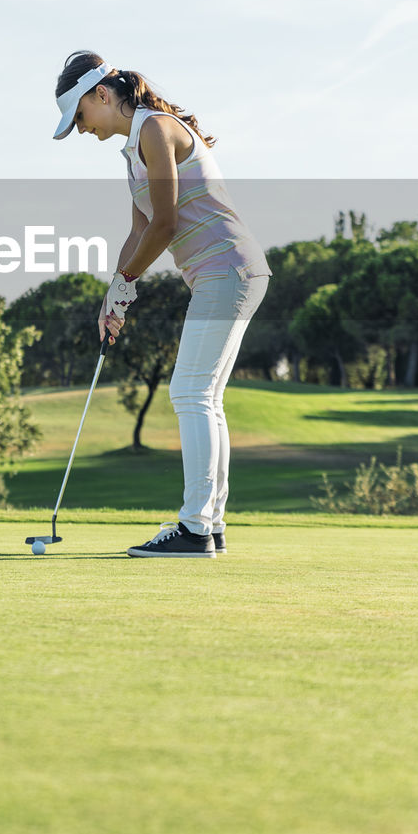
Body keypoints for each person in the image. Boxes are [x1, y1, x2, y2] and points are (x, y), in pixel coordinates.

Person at [53, 51, 271, 559]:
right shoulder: (133, 150)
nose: (81, 129)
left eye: (80, 116)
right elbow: (138, 231)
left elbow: (166, 224)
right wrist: (115, 293)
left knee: (190, 393)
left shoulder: (156, 129)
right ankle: (209, 525)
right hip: (220, 275)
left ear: (102, 95)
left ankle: (195, 528)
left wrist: (128, 282)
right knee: (204, 398)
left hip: (228, 268)